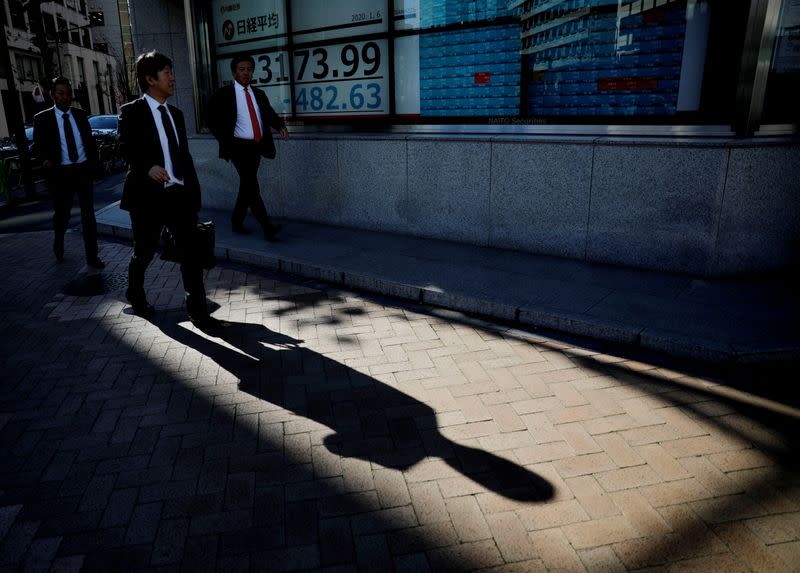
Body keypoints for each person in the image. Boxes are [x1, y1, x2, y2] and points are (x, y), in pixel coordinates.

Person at [118, 50, 223, 330]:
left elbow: (184, 157)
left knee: (191, 255)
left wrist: (193, 193)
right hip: (147, 198)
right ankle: (135, 293)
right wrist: (146, 167)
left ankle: (199, 313)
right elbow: (124, 148)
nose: (173, 78)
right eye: (167, 73)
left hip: (178, 195)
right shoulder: (132, 112)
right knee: (144, 251)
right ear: (150, 79)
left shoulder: (175, 114)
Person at [206, 53, 288, 240]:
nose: (246, 73)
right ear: (234, 72)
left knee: (246, 185)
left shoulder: (258, 93)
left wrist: (280, 126)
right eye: (242, 70)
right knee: (252, 186)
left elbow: (268, 113)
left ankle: (236, 221)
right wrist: (222, 137)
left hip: (256, 146)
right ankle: (267, 227)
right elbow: (209, 116)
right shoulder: (224, 94)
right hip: (237, 147)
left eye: (249, 69)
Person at [32, 76, 104, 268]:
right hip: (60, 174)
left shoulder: (80, 115)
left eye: (68, 94)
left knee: (88, 215)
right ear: (52, 95)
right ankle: (59, 240)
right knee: (62, 214)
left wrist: (94, 165)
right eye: (61, 94)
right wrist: (45, 160)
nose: (66, 97)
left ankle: (92, 257)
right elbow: (37, 147)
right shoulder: (43, 119)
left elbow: (89, 142)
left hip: (82, 171)